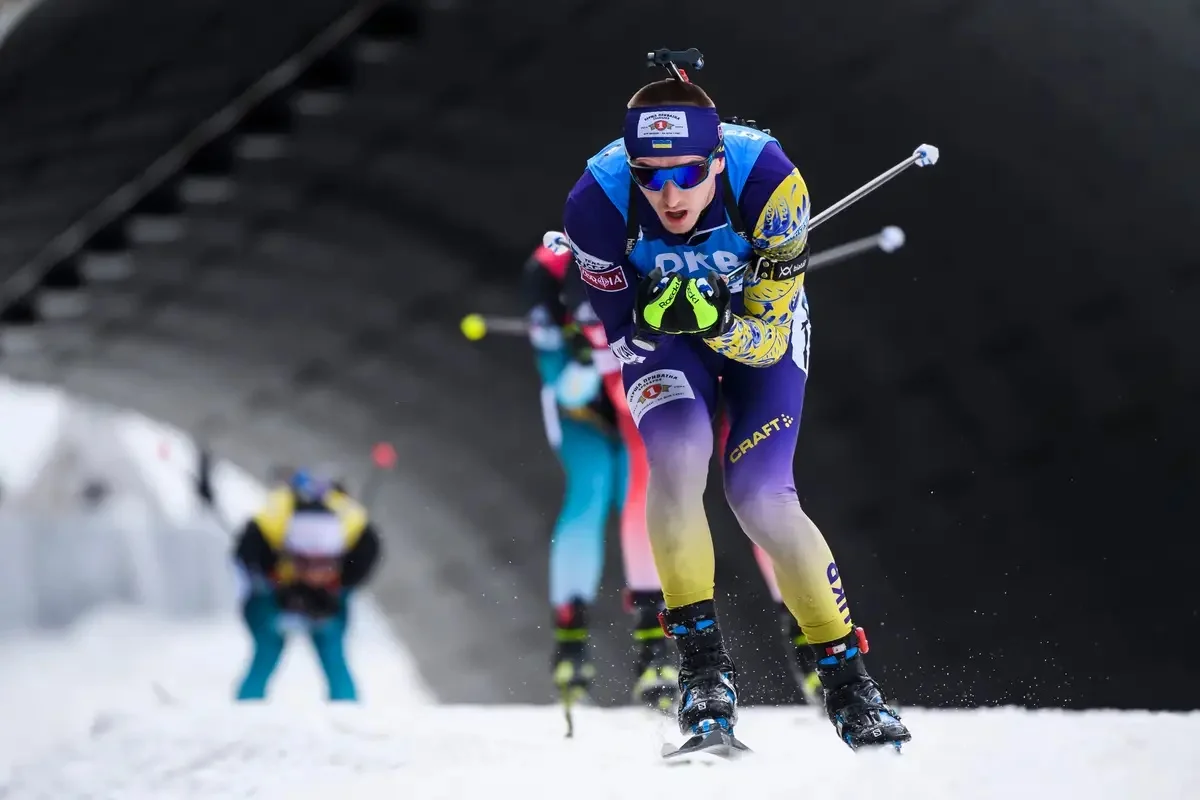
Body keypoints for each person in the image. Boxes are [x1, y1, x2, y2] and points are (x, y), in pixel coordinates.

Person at [561, 76, 911, 749]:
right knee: (675, 459)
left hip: (755, 331)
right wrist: (650, 317)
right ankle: (702, 673)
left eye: (688, 174)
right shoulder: (595, 202)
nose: (669, 195)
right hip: (665, 339)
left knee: (760, 496)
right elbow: (623, 334)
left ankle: (849, 684)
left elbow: (770, 337)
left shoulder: (770, 184)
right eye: (651, 176)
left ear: (716, 160)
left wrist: (718, 319)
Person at [522, 231, 679, 712]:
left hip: (635, 414)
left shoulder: (649, 298)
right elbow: (564, 386)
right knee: (589, 494)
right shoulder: (554, 323)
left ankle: (655, 639)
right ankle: (570, 638)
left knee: (642, 497)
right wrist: (565, 243)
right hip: (583, 420)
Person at [232, 468, 381, 702]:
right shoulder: (348, 514)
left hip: (284, 592)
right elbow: (369, 550)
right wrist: (341, 585)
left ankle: (246, 705)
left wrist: (269, 583)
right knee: (333, 657)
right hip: (308, 593)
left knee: (267, 655)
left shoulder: (277, 510)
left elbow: (246, 551)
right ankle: (347, 708)